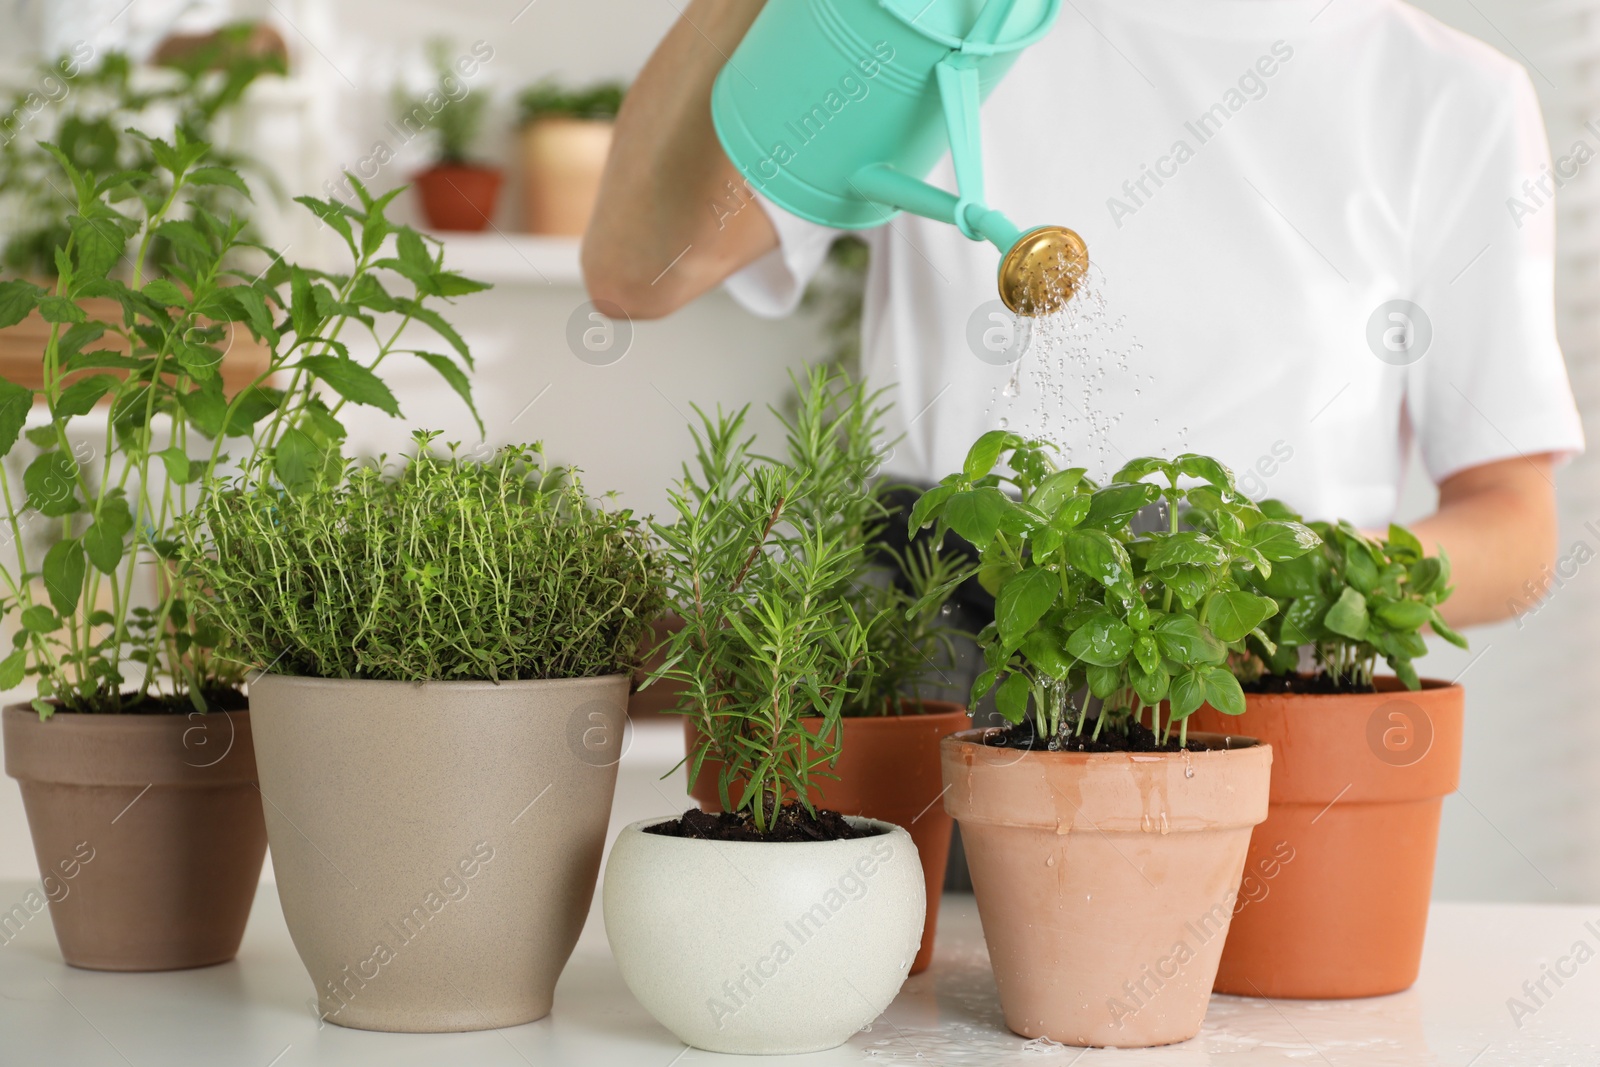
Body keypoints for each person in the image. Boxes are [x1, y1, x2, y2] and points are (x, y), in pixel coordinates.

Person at [583, 0, 1583, 629]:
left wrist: (1306, 577)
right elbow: (639, 270)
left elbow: (1513, 528)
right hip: (930, 667)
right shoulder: (951, 23)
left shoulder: (1449, 93)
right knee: (931, 970)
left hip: (1263, 684)